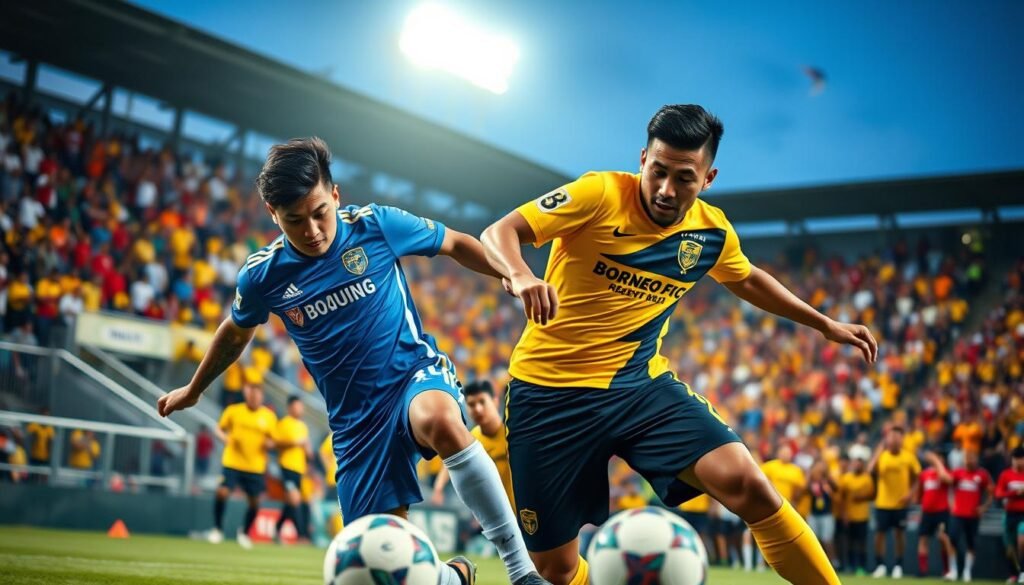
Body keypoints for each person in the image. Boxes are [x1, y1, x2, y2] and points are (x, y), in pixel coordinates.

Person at [481, 104, 876, 585]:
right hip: (548, 396)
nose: (666, 189)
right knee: (556, 569)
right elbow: (499, 232)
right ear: (642, 159)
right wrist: (520, 273)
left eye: (684, 178)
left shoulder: (711, 232)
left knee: (749, 484)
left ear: (708, 178)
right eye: (658, 171)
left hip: (638, 388)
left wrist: (824, 324)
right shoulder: (598, 193)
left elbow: (747, 279)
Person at [158, 138, 544, 585]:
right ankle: (453, 578)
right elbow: (236, 330)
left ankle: (522, 571)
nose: (312, 230)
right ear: (273, 214)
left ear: (336, 195)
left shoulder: (376, 225)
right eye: (294, 220)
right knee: (380, 559)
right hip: (355, 425)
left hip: (411, 375)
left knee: (439, 419)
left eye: (319, 212)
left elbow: (456, 243)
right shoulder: (263, 275)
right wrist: (194, 390)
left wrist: (517, 274)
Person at [209, 383, 277, 549]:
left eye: (257, 395)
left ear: (262, 397)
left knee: (255, 502)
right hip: (233, 462)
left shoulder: (269, 417)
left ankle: (245, 533)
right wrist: (226, 439)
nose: (254, 398)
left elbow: (274, 440)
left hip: (255, 466)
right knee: (222, 492)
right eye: (251, 394)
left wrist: (269, 444)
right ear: (247, 394)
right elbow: (218, 429)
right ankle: (217, 529)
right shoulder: (234, 411)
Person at [431, 380, 512, 506]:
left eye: (482, 402)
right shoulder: (472, 438)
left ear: (495, 402)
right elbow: (454, 459)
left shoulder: (511, 433)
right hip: (492, 510)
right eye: (472, 404)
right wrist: (438, 488)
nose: (478, 409)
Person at [869, 426, 920, 579]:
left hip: (900, 504)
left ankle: (899, 565)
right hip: (882, 502)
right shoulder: (882, 456)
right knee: (880, 535)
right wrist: (879, 449)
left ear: (902, 439)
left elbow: (918, 477)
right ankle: (880, 565)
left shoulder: (909, 457)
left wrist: (911, 493)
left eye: (897, 437)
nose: (894, 440)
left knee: (899, 535)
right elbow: (870, 470)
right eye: (891, 437)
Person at [948, 450, 993, 582]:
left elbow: (991, 492)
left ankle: (967, 571)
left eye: (972, 458)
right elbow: (949, 488)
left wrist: (984, 507)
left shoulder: (982, 474)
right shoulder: (957, 473)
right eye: (967, 458)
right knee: (953, 539)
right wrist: (951, 504)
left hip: (973, 515)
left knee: (971, 543)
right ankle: (953, 570)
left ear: (976, 459)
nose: (969, 461)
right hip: (957, 514)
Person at [273, 395, 311, 544]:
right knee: (295, 499)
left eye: (301, 407)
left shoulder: (303, 426)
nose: (300, 409)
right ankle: (301, 536)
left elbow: (305, 448)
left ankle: (277, 529)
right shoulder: (284, 423)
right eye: (297, 406)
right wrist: (294, 442)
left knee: (291, 502)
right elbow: (276, 443)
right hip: (286, 466)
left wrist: (308, 453)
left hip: (299, 469)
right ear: (290, 408)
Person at [916, 451, 955, 579]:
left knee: (943, 538)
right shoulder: (925, 474)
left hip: (942, 511)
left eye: (939, 458)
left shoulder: (946, 472)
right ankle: (923, 570)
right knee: (923, 539)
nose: (935, 460)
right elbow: (920, 494)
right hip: (927, 512)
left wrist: (936, 461)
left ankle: (948, 569)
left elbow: (947, 479)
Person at [837, 447, 874, 576]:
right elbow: (842, 498)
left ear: (863, 464)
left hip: (863, 516)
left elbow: (872, 495)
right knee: (850, 543)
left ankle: (861, 566)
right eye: (856, 462)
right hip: (850, 516)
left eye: (860, 462)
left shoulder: (867, 478)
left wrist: (860, 497)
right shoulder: (846, 478)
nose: (857, 464)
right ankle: (851, 565)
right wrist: (844, 514)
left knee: (862, 543)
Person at [995, 446, 1024, 583]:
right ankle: (1013, 573)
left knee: (1022, 540)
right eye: (1016, 459)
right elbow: (998, 493)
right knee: (1009, 547)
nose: (1018, 462)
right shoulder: (1006, 475)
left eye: (1021, 459)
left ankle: (1023, 572)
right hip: (1010, 514)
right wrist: (1015, 493)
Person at [807, 460, 837, 568]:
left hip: (826, 514)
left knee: (827, 540)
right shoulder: (812, 483)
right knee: (814, 541)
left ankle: (833, 563)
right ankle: (815, 564)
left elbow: (836, 491)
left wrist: (827, 484)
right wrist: (809, 477)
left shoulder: (828, 482)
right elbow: (804, 490)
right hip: (814, 514)